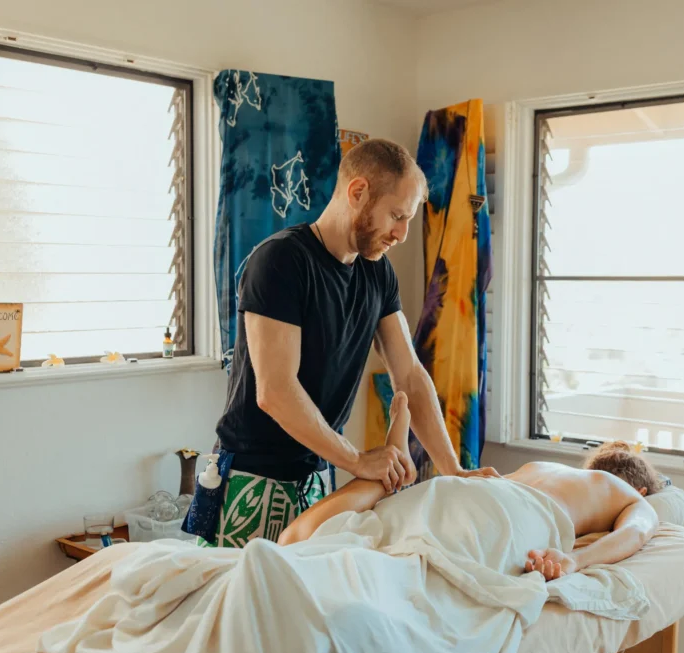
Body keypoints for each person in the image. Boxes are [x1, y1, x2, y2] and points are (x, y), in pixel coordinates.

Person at [184, 139, 500, 548]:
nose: (402, 234)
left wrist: (453, 470)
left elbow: (410, 375)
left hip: (317, 479)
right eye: (397, 216)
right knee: (244, 606)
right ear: (357, 192)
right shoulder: (280, 262)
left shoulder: (377, 273)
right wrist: (356, 460)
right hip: (251, 479)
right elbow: (275, 392)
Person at [279, 395, 659, 581]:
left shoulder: (543, 467)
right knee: (403, 574)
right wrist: (576, 560)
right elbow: (637, 532)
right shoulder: (626, 495)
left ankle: (388, 470)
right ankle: (386, 473)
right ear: (641, 489)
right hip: (513, 513)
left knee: (302, 542)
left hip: (460, 488)